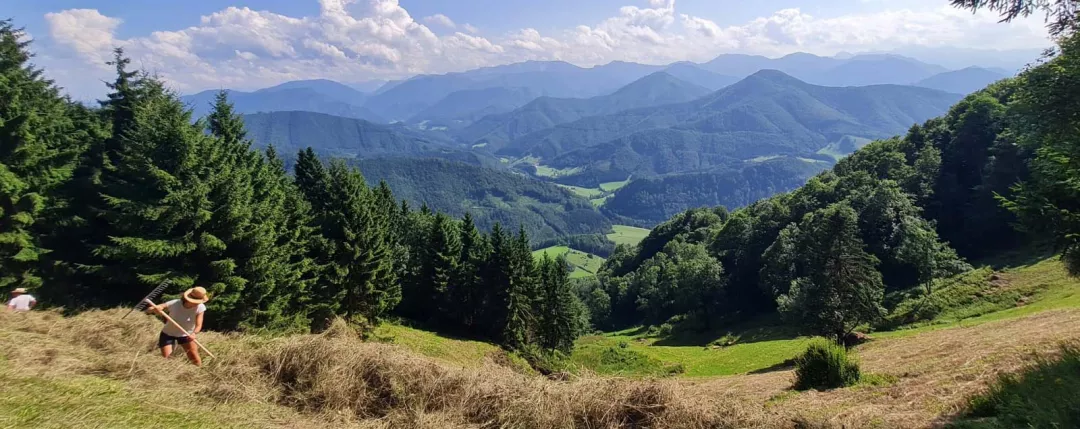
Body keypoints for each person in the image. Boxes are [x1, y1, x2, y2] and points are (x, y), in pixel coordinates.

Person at [146, 286, 209, 366]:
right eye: (196, 302)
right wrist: (156, 308)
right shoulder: (175, 303)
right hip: (168, 334)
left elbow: (199, 325)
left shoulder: (200, 307)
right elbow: (151, 309)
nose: (197, 303)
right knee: (168, 359)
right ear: (188, 299)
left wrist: (194, 333)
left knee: (195, 358)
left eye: (199, 302)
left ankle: (199, 372)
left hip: (186, 335)